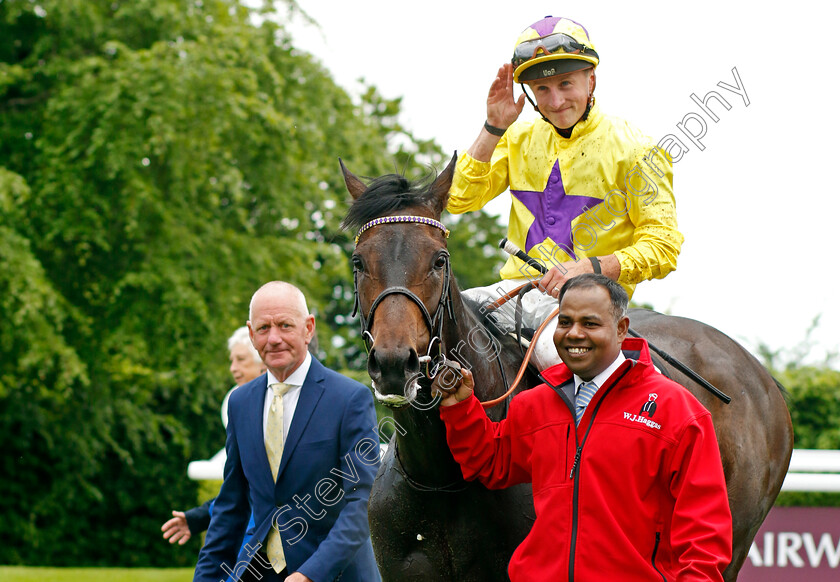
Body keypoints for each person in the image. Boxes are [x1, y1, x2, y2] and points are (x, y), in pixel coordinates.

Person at [436, 274, 732, 581]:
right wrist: (460, 407)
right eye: (565, 322)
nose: (574, 334)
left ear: (621, 330)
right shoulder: (534, 403)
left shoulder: (677, 411)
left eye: (590, 324)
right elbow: (491, 462)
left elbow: (704, 538)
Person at [447, 15, 684, 368]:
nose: (555, 101)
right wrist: (493, 127)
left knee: (553, 354)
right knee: (442, 327)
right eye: (542, 89)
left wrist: (591, 267)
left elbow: (663, 245)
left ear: (591, 80)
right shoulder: (516, 139)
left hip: (592, 301)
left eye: (566, 84)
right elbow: (458, 198)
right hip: (514, 291)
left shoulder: (639, 150)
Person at [193, 281, 381, 582]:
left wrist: (310, 574)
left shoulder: (350, 399)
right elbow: (231, 506)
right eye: (264, 328)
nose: (274, 338)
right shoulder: (240, 403)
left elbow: (363, 502)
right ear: (251, 334)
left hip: (336, 575)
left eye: (285, 325)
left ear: (309, 328)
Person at [162, 327, 265, 546]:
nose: (233, 369)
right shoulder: (240, 409)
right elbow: (241, 488)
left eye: (241, 360)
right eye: (231, 361)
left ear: (263, 364)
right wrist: (200, 516)